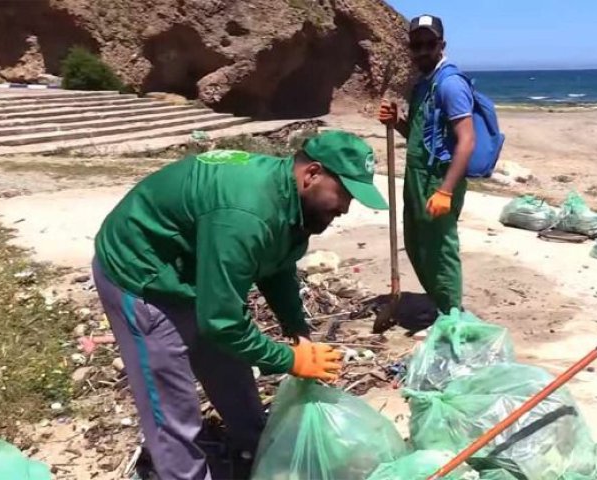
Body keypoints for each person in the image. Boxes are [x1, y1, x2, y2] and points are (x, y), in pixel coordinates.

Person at [91, 130, 389, 480]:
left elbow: (277, 267)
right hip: (142, 273)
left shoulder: (290, 201)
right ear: (312, 174)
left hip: (195, 269)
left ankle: (259, 453)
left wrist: (297, 331)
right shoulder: (245, 214)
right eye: (344, 194)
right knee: (172, 408)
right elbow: (221, 321)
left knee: (231, 371)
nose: (345, 209)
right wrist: (289, 360)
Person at [379, 14, 475, 315]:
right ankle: (440, 306)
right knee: (418, 244)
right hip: (416, 176)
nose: (421, 51)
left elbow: (467, 140)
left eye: (428, 44)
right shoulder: (423, 84)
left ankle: (453, 316)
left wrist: (445, 190)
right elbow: (421, 136)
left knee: (440, 249)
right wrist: (396, 122)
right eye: (416, 45)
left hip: (438, 179)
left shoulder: (450, 85)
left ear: (441, 45)